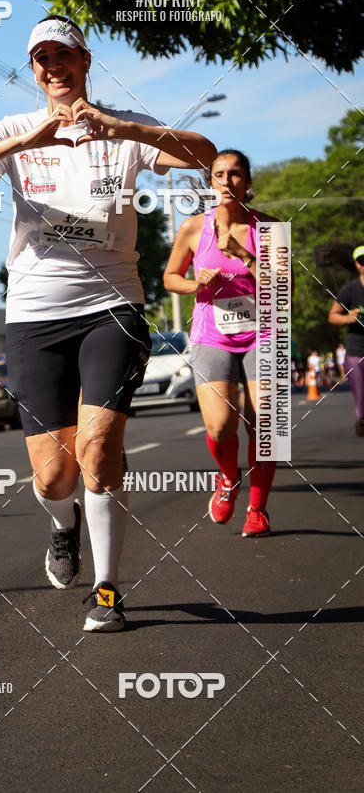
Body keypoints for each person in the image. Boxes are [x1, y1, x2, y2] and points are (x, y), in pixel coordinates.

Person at [0, 16, 216, 631]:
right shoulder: (16, 131)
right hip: (34, 317)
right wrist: (25, 139)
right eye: (41, 59)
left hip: (112, 307)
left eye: (63, 54)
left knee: (97, 448)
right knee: (54, 473)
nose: (52, 67)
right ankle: (64, 529)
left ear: (84, 60)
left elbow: (205, 155)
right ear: (33, 70)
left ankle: (108, 590)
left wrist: (119, 127)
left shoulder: (122, 133)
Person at [164, 149, 286, 538]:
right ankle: (228, 479)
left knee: (266, 425)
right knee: (220, 427)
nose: (227, 181)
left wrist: (245, 257)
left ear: (248, 183)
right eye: (219, 174)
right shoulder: (193, 229)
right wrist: (195, 283)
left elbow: (286, 291)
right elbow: (170, 277)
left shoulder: (270, 229)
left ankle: (257, 508)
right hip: (212, 335)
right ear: (210, 182)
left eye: (235, 174)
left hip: (264, 333)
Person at [328, 245, 364, 436]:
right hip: (357, 352)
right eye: (362, 261)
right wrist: (348, 318)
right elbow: (332, 316)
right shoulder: (350, 289)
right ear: (357, 265)